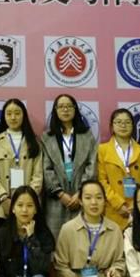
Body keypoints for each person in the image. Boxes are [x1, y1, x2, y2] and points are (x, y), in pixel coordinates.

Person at [54, 179, 127, 277]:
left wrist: (116, 270)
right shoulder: (68, 229)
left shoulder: (115, 229)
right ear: (80, 201)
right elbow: (61, 265)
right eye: (88, 198)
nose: (94, 202)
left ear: (105, 200)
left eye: (99, 197)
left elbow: (120, 260)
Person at [40, 94, 97, 239]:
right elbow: (46, 168)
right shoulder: (47, 137)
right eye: (61, 106)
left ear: (75, 109)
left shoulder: (87, 135)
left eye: (69, 106)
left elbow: (91, 164)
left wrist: (81, 192)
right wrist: (60, 193)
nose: (65, 110)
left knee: (82, 240)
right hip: (56, 199)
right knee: (57, 241)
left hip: (82, 197)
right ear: (55, 110)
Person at [0, 186, 55, 277]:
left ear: (36, 209)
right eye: (20, 205)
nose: (25, 210)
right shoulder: (2, 235)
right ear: (13, 209)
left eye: (30, 205)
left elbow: (42, 268)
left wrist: (31, 238)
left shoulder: (43, 234)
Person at [0, 99, 43, 223]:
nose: (13, 117)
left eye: (17, 113)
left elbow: (38, 175)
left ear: (24, 116)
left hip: (28, 207)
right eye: (9, 113)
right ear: (4, 116)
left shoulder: (34, 142)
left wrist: (27, 199)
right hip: (2, 207)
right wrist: (3, 197)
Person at [98, 107, 140, 230]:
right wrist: (118, 204)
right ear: (112, 126)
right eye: (118, 122)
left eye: (127, 122)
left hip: (139, 209)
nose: (123, 125)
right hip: (112, 209)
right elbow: (101, 181)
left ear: (133, 126)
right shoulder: (102, 150)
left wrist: (138, 203)